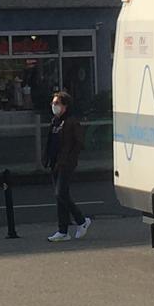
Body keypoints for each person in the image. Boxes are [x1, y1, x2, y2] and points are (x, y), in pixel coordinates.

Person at [44, 91, 92, 242]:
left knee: (61, 193)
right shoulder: (54, 122)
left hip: (65, 164)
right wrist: (46, 158)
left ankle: (81, 220)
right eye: (53, 103)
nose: (54, 106)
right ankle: (62, 230)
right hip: (54, 162)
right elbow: (50, 142)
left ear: (65, 106)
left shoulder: (71, 122)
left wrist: (69, 159)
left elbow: (79, 143)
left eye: (57, 103)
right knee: (60, 197)